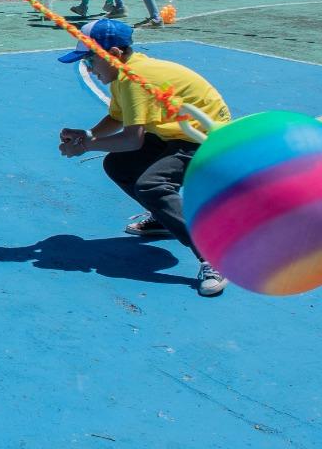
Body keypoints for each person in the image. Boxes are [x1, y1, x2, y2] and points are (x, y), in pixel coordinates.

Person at [56, 18, 231, 297]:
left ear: (112, 55)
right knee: (119, 165)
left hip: (204, 139)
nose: (87, 68)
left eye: (90, 60)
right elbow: (117, 117)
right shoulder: (123, 76)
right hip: (174, 134)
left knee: (152, 184)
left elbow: (132, 139)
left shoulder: (135, 80)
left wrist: (85, 148)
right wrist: (87, 135)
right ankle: (164, 219)